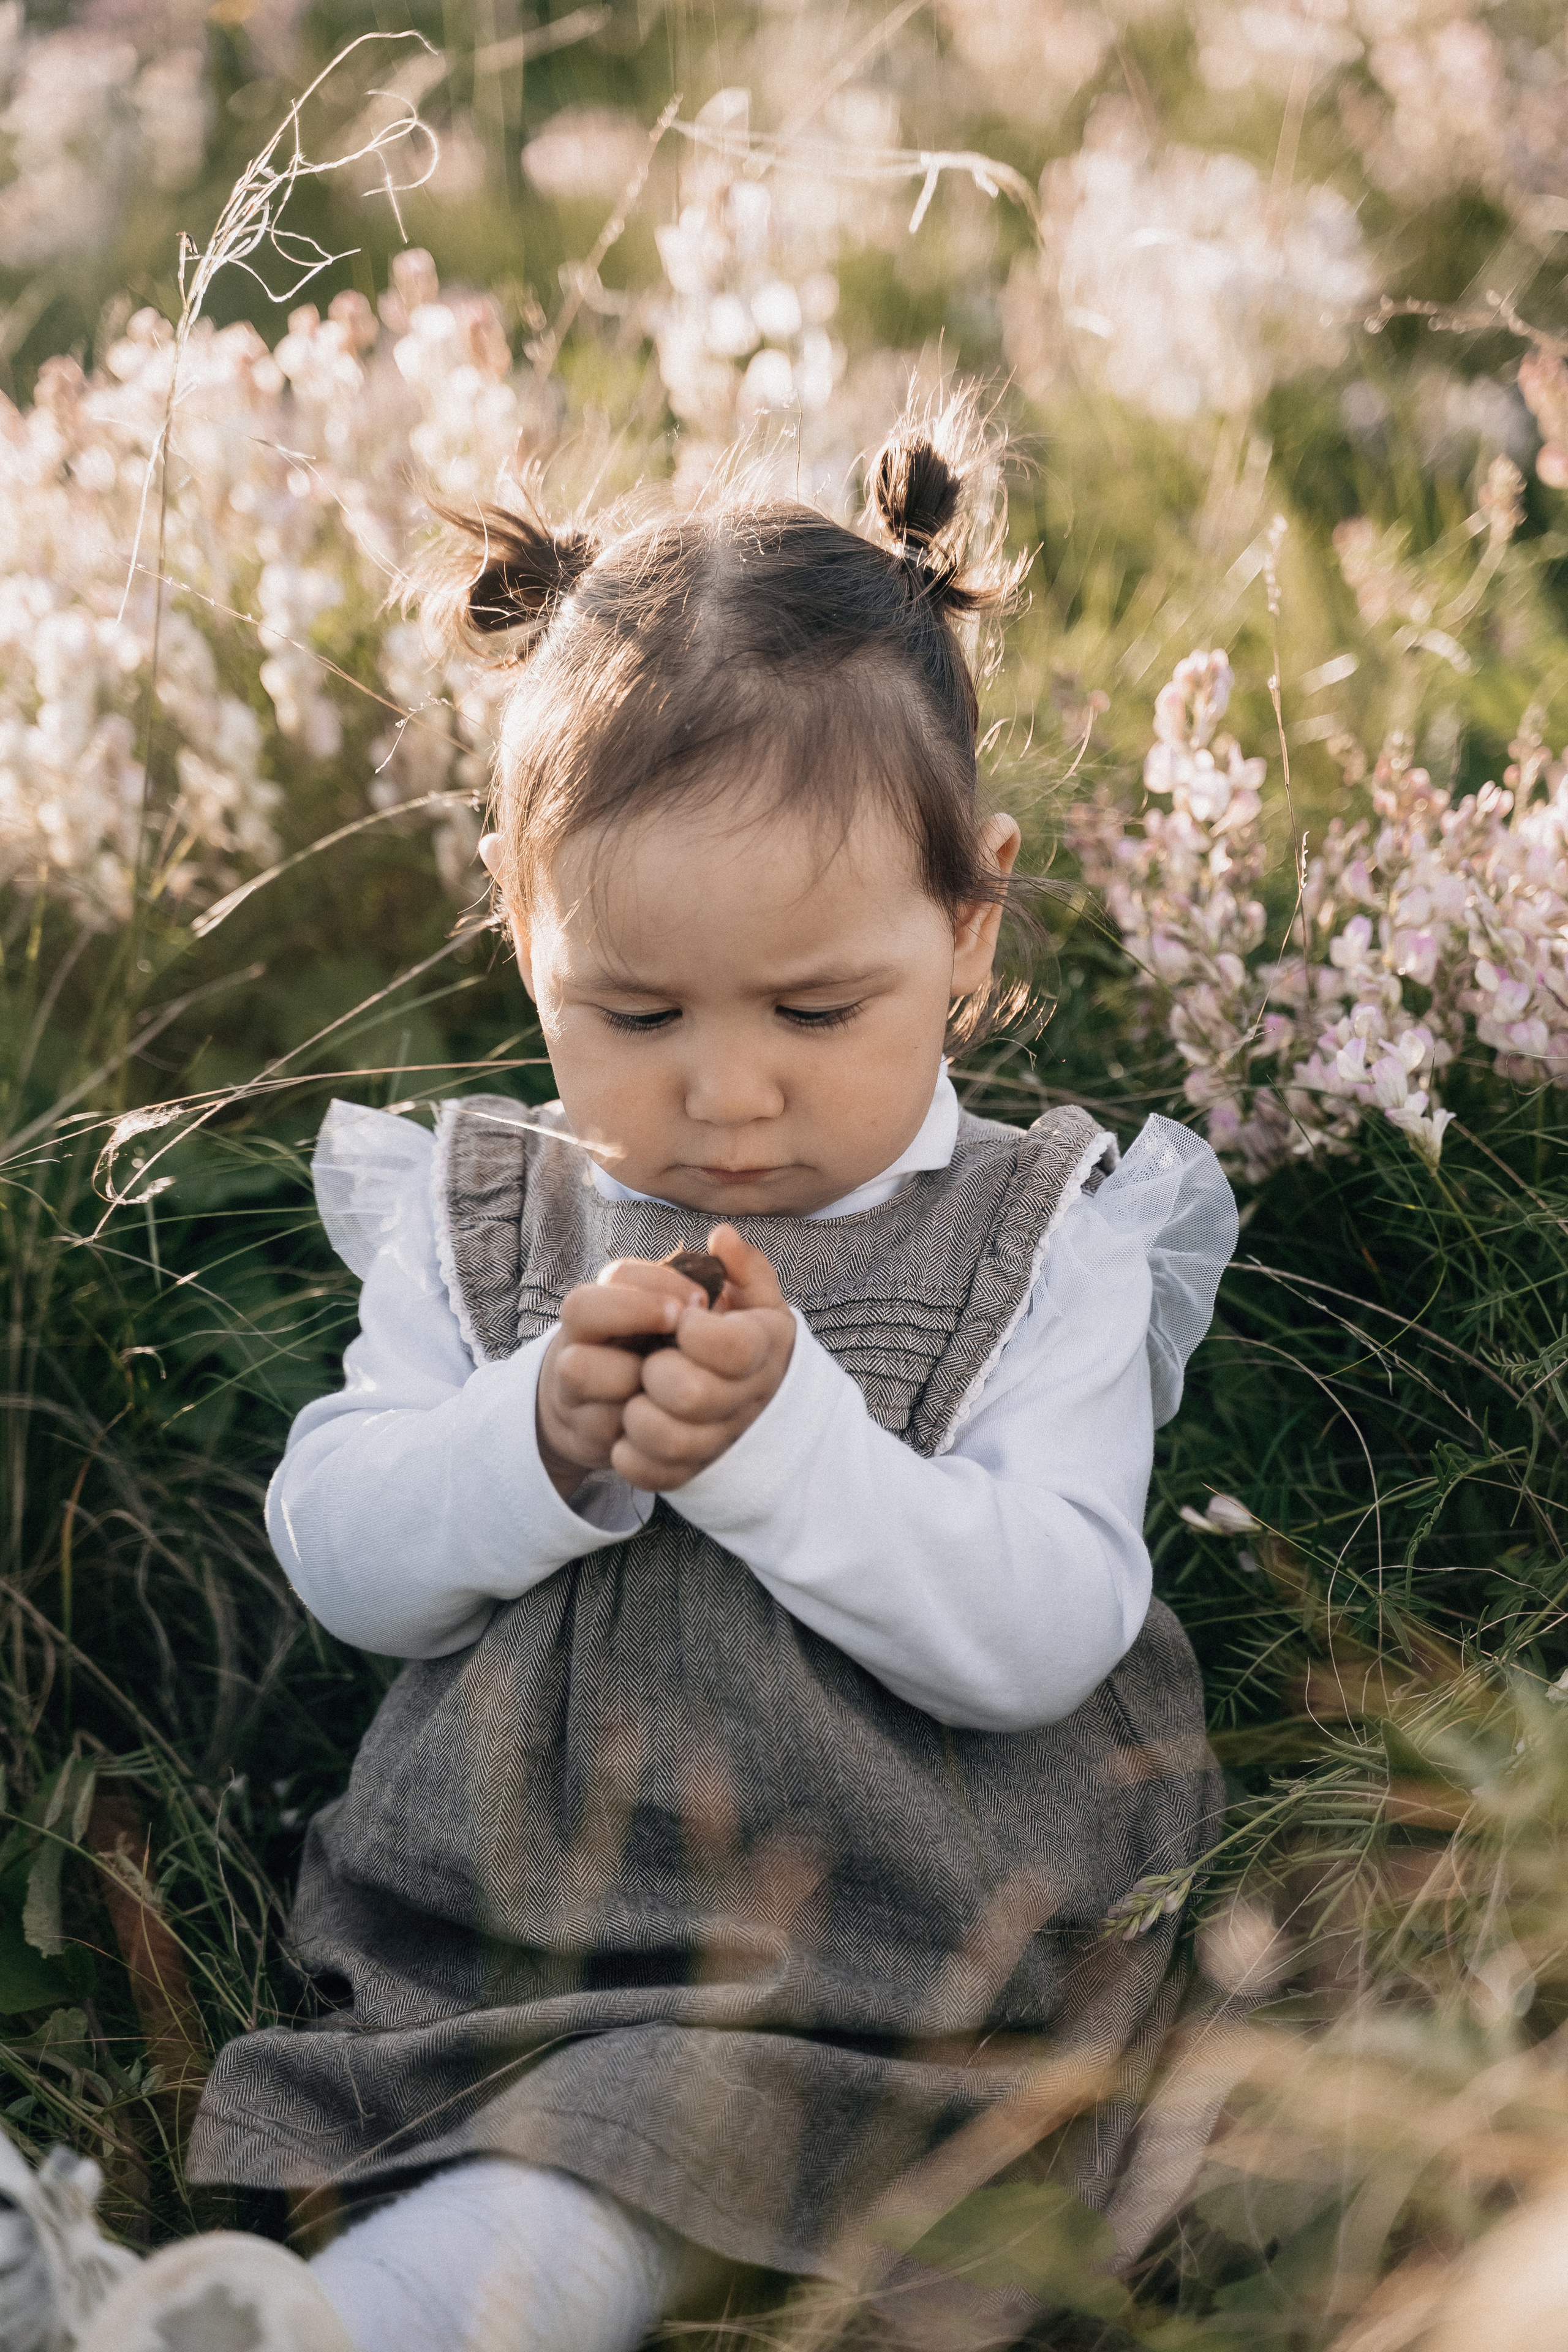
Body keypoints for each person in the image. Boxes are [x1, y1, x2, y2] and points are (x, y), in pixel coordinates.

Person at [37, 401, 1240, 2352]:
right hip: (504, 1934)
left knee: (620, 2148)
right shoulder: (491, 1216)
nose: (729, 1087)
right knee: (545, 2124)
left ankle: (334, 2332)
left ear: (968, 915)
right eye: (639, 1010)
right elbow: (342, 1551)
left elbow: (1048, 1627)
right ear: (524, 937)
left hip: (886, 1954)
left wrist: (786, 1457)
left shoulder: (1043, 1241)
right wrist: (529, 1446)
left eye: (817, 1008)